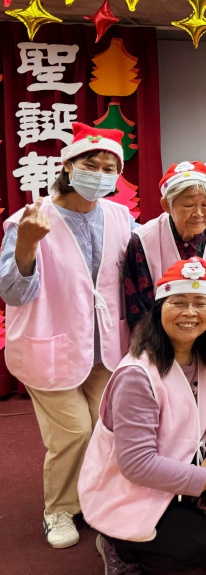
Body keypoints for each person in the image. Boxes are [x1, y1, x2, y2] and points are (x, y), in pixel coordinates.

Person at [79, 258, 206, 574]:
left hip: (176, 464)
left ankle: (195, 520)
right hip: (130, 487)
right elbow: (137, 464)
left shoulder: (205, 355)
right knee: (202, 545)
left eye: (200, 302)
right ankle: (119, 545)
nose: (190, 312)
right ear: (159, 307)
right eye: (178, 302)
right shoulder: (137, 375)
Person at [0, 123, 131, 549]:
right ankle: (59, 509)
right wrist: (26, 245)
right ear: (68, 166)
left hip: (105, 347)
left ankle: (95, 497)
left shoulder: (120, 217)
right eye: (91, 165)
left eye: (109, 168)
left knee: (106, 428)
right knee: (73, 432)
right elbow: (12, 292)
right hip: (50, 347)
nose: (100, 174)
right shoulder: (29, 219)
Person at [123, 162, 206, 330]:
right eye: (188, 205)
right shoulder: (143, 241)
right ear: (166, 205)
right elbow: (138, 307)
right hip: (157, 340)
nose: (198, 213)